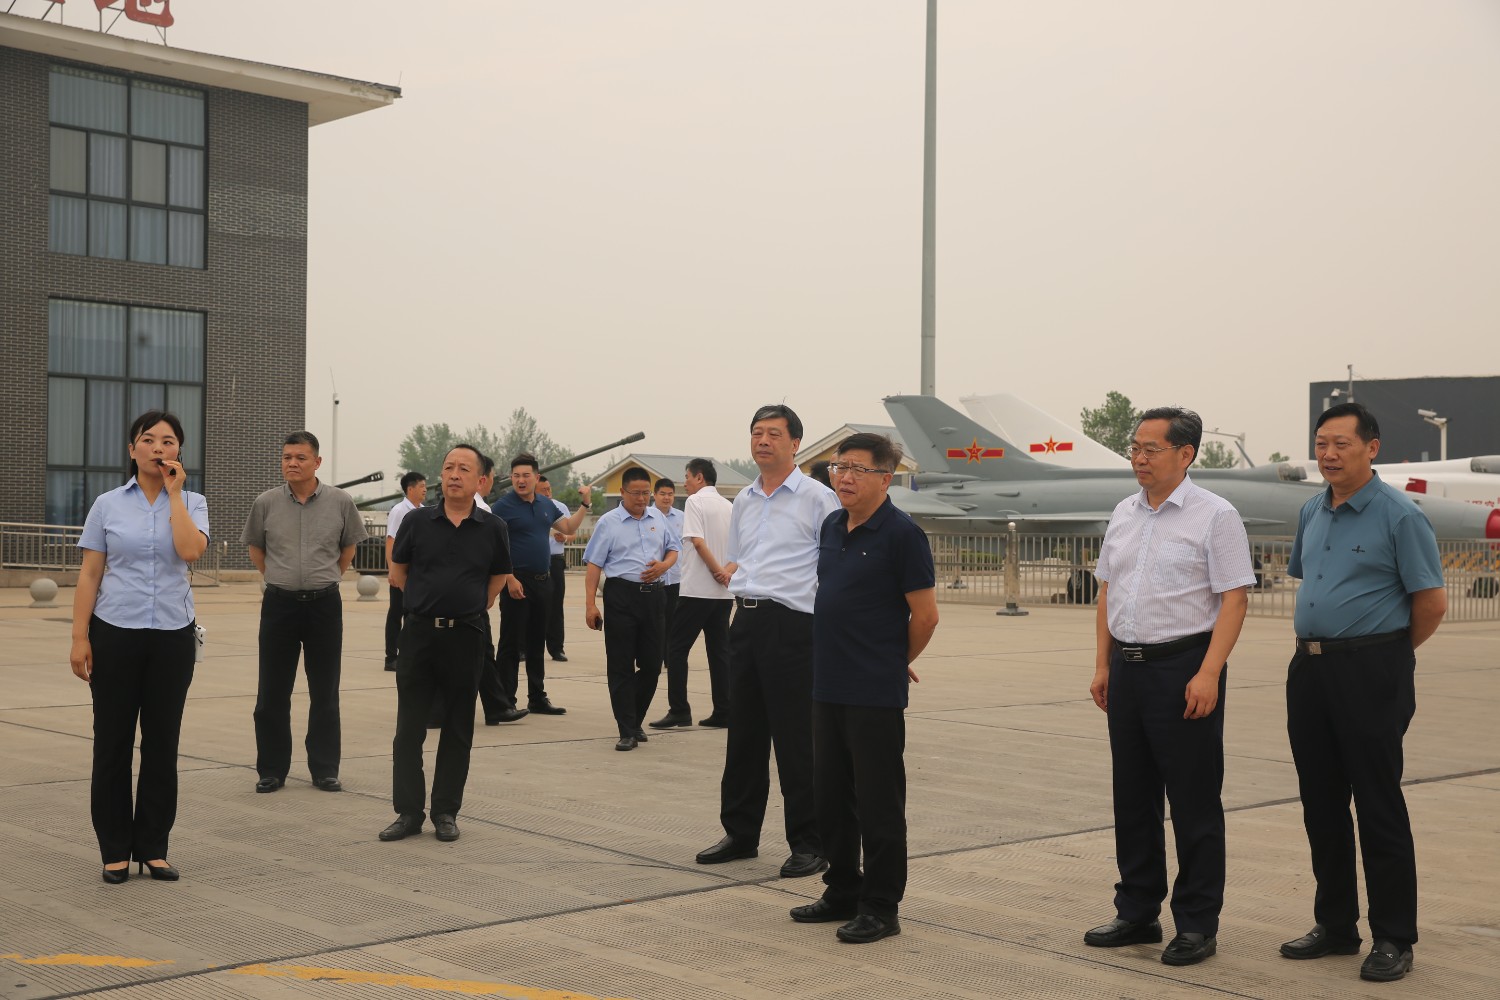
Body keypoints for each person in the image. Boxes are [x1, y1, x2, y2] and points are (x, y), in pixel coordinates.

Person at [1279, 402, 1445, 984]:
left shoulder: (1400, 516)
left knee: (1377, 803)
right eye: (1321, 443)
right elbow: (1311, 581)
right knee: (1320, 802)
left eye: (1341, 444)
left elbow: (1431, 603)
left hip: (1372, 670)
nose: (1328, 454)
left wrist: (1386, 656)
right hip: (1310, 669)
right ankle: (1335, 925)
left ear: (1372, 448)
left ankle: (1394, 936)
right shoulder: (1311, 510)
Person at [1083, 407, 1255, 967]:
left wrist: (1208, 672)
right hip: (1128, 670)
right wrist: (1103, 665)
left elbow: (1234, 598)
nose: (1139, 457)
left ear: (1185, 454)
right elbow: (1108, 590)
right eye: (1135, 447)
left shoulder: (1215, 515)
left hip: (1183, 668)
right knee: (1132, 797)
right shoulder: (1124, 512)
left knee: (1193, 801)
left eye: (1151, 448)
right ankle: (1137, 911)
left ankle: (1197, 923)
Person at [790, 433, 938, 944]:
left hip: (873, 691)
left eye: (857, 468)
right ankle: (842, 889)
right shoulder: (832, 525)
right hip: (826, 683)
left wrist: (894, 662)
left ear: (885, 478)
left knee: (878, 804)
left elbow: (925, 616)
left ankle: (880, 906)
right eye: (838, 467)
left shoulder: (903, 535)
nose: (844, 477)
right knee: (830, 798)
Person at [696, 404, 839, 878]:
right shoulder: (745, 499)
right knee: (745, 734)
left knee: (797, 738)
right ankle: (740, 833)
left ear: (795, 443)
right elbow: (739, 559)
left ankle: (810, 843)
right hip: (746, 621)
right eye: (757, 432)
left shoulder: (819, 498)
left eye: (774, 434)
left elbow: (833, 567)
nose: (763, 441)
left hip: (794, 626)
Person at [71, 410, 209, 884]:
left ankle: (153, 848)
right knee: (111, 742)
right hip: (115, 632)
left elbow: (189, 551)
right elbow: (90, 573)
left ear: (178, 451)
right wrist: (79, 637)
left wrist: (174, 495)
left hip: (172, 636)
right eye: (148, 440)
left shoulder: (193, 501)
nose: (158, 448)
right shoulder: (107, 505)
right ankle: (114, 849)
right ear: (132, 450)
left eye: (167, 441)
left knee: (162, 745)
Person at [381, 444, 514, 843]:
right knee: (409, 728)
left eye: (464, 469)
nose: (454, 474)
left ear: (481, 481)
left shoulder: (493, 528)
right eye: (449, 467)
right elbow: (398, 572)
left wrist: (471, 603)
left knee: (458, 728)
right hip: (419, 634)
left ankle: (445, 812)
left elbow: (498, 577)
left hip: (466, 636)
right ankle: (408, 812)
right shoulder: (417, 522)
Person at [243, 431, 366, 794]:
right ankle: (271, 769)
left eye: (300, 457)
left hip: (324, 606)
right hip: (279, 606)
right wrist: (279, 579)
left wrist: (324, 578)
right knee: (271, 693)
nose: (292, 463)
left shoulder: (340, 502)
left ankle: (325, 769)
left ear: (317, 462)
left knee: (325, 692)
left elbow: (348, 549)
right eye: (287, 457)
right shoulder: (265, 503)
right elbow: (257, 550)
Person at [582, 467, 680, 750]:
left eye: (645, 493)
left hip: (654, 598)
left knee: (652, 665)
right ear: (622, 492)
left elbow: (673, 549)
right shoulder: (608, 523)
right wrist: (590, 604)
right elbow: (594, 565)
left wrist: (664, 565)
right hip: (621, 597)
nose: (641, 498)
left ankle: (634, 719)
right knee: (621, 665)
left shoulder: (658, 518)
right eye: (635, 493)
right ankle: (627, 729)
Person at [493, 453, 592, 715]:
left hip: (543, 580)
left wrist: (585, 504)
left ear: (536, 478)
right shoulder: (502, 507)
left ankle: (537, 698)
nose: (521, 480)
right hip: (516, 581)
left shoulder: (545, 504)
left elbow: (568, 527)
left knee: (537, 643)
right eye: (516, 476)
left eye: (526, 475)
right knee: (511, 643)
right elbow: (493, 546)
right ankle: (504, 701)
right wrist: (509, 578)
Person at [651, 458, 733, 729]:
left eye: (687, 477)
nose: (684, 483)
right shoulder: (729, 506)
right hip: (723, 594)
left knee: (676, 649)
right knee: (719, 652)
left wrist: (716, 571)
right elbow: (741, 549)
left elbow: (697, 542)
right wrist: (726, 573)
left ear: (699, 477)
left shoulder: (695, 502)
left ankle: (679, 709)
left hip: (697, 590)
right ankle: (723, 710)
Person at [473, 452, 528, 726]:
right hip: (472, 594)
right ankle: (496, 706)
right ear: (485, 478)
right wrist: (490, 593)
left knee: (480, 653)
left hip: (468, 593)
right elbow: (497, 558)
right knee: (482, 652)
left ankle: (496, 706)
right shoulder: (482, 510)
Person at [384, 471, 427, 671]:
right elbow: (391, 541)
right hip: (401, 571)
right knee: (396, 613)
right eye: (421, 486)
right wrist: (392, 570)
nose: (425, 490)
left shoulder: (424, 511)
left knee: (414, 615)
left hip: (418, 573)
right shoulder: (399, 510)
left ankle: (410, 655)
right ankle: (391, 657)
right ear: (410, 489)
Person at [537, 475, 573, 662]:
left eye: (549, 489)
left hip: (555, 561)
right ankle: (524, 648)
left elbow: (572, 532)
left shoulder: (560, 507)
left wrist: (564, 537)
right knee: (530, 606)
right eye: (543, 490)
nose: (548, 492)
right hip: (534, 560)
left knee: (556, 605)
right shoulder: (527, 508)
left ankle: (556, 648)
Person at [652, 477, 684, 670]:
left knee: (673, 620)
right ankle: (653, 655)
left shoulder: (682, 517)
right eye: (662, 494)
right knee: (655, 620)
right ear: (654, 495)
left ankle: (669, 657)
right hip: (655, 579)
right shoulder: (648, 516)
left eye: (670, 494)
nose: (666, 497)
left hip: (676, 577)